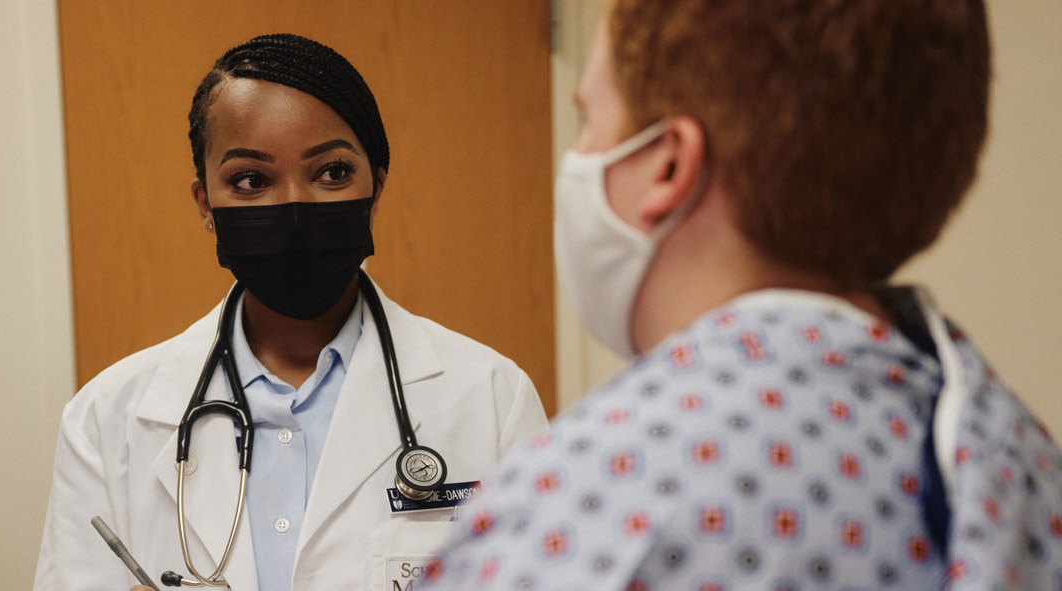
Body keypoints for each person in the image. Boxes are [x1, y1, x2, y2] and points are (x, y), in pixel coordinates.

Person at [423, 1, 1062, 589]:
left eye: (591, 118)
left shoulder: (581, 506)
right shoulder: (1020, 466)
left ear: (669, 166)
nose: (580, 151)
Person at [34, 33, 548, 591]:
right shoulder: (107, 422)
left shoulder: (491, 399)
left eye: (331, 172)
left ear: (375, 188)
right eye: (250, 180)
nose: (293, 206)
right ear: (206, 203)